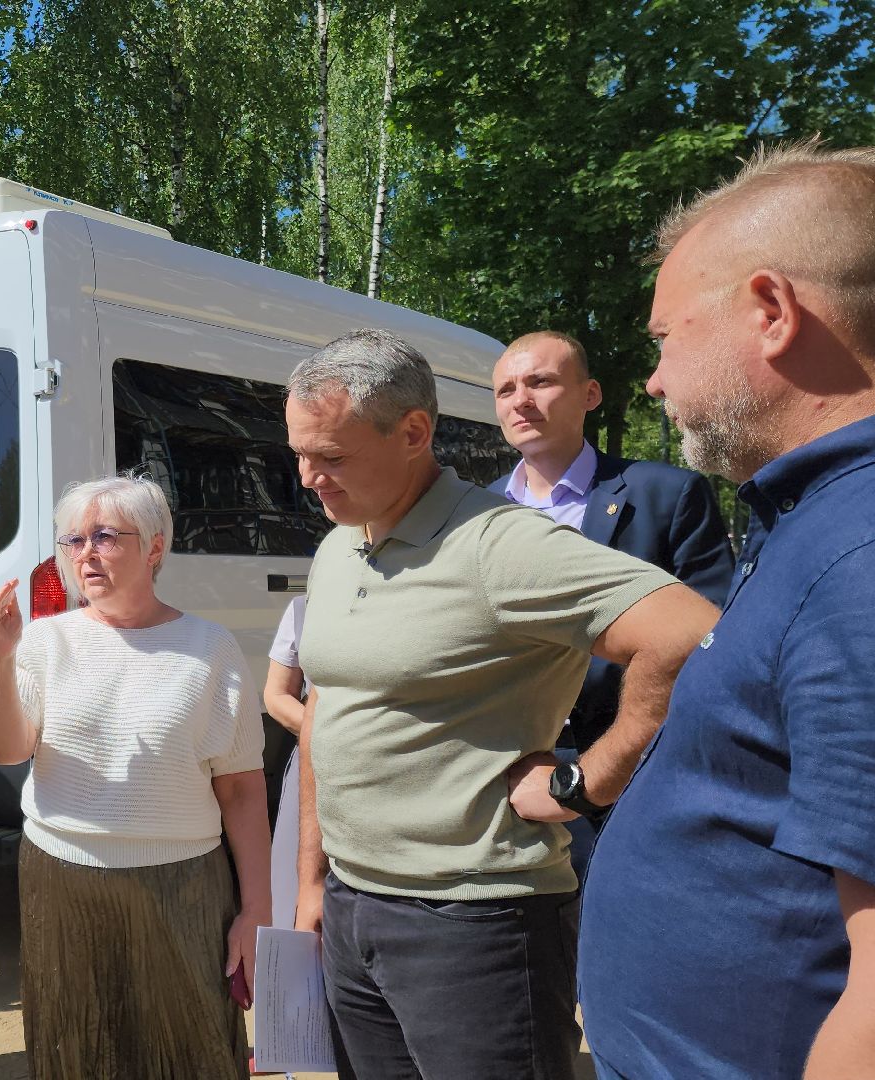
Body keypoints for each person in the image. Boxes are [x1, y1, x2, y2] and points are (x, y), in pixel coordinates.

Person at [285, 328, 717, 1080]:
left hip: (473, 922)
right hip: (356, 908)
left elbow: (690, 634)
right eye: (299, 453)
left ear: (415, 433)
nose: (307, 477)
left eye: (331, 456)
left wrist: (588, 782)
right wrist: (311, 885)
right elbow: (329, 710)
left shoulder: (499, 544)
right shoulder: (338, 542)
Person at [579, 142, 875, 1079]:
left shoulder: (873, 552)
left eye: (665, 337)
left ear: (771, 311)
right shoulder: (823, 519)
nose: (654, 382)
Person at [0, 475, 271, 1080]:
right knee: (76, 1045)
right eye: (73, 540)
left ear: (155, 548)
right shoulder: (44, 641)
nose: (85, 553)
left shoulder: (209, 648)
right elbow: (8, 749)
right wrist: (2, 660)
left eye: (106, 536)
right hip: (62, 875)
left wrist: (256, 907)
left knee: (191, 1047)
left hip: (184, 883)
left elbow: (241, 790)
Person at [490, 330, 733, 878]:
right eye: (505, 390)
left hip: (633, 773)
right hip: (502, 777)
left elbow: (715, 635)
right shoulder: (472, 516)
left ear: (590, 394)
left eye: (540, 381)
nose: (520, 400)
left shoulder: (666, 495)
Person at [263, 594, 308, 930]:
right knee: (298, 894)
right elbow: (277, 695)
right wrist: (334, 737)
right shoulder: (305, 606)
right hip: (315, 772)